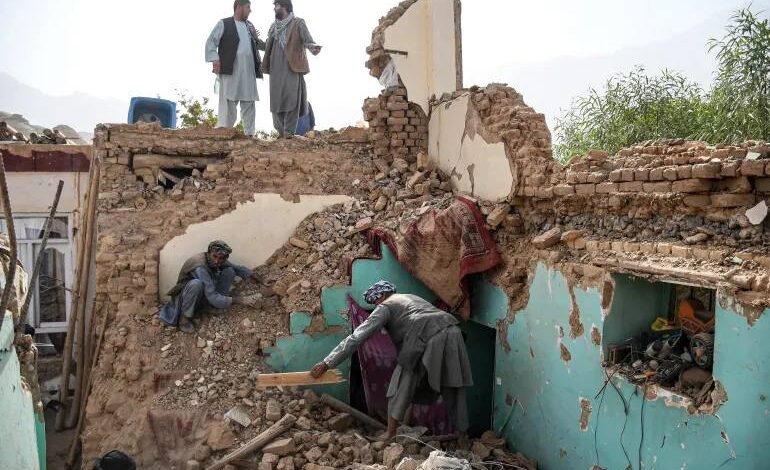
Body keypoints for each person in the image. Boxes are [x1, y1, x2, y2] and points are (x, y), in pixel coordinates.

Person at [311, 281, 473, 438]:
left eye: (375, 301)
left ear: (381, 296)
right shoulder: (411, 298)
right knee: (454, 384)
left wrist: (327, 362)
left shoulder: (385, 307)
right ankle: (462, 435)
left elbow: (357, 337)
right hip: (453, 331)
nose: (376, 305)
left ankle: (390, 433)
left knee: (400, 381)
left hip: (425, 335)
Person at [159, 241, 260, 333]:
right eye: (214, 256)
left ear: (225, 258)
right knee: (196, 284)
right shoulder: (199, 267)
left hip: (204, 293)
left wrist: (256, 277)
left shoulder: (218, 260)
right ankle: (184, 319)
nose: (217, 261)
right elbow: (212, 296)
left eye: (221, 258)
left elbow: (237, 268)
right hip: (186, 297)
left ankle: (213, 306)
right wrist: (239, 300)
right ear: (209, 253)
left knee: (230, 271)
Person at [262, 0, 322, 138]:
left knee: (291, 99)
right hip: (275, 68)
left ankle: (288, 132)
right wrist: (254, 39)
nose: (274, 8)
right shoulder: (273, 27)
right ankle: (281, 132)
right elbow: (267, 46)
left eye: (276, 5)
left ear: (284, 6)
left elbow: (307, 40)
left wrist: (313, 47)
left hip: (292, 67)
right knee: (276, 102)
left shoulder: (298, 23)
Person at [205, 0, 265, 136]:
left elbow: (258, 45)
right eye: (248, 7)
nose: (250, 10)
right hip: (230, 71)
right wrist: (215, 59)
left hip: (248, 71)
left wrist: (258, 39)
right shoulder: (224, 23)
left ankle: (250, 135)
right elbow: (211, 42)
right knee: (228, 103)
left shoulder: (249, 26)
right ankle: (224, 133)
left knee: (249, 102)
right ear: (239, 7)